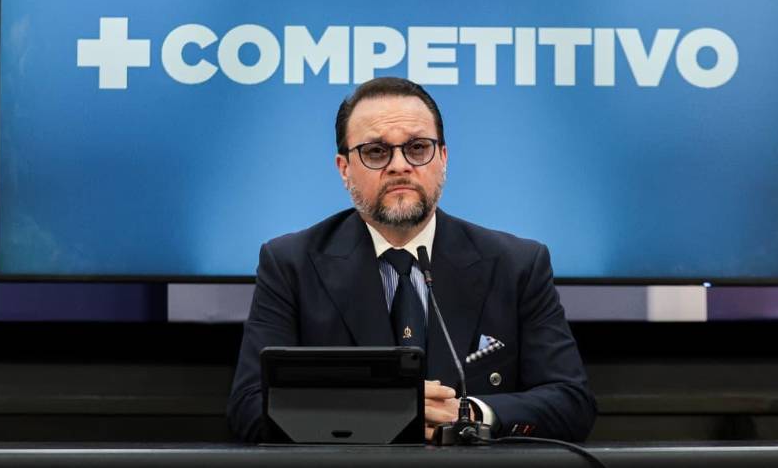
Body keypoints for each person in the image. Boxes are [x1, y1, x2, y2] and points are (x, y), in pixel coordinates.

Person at [227, 77, 595, 443]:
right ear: (344, 168)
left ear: (443, 158)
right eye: (376, 152)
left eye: (418, 148)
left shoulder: (517, 265)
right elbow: (249, 408)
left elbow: (571, 403)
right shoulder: (291, 265)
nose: (400, 165)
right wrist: (386, 411)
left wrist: (468, 414)